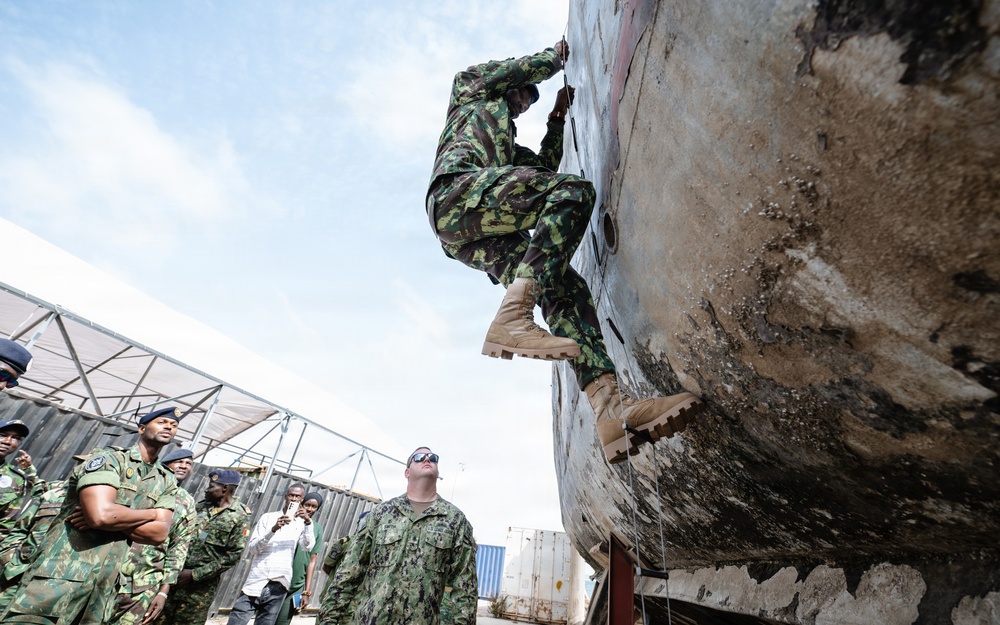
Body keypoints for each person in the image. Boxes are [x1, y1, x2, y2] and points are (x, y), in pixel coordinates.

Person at [426, 42, 705, 463]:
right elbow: (523, 68)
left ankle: (613, 413)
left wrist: (556, 118)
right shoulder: (472, 90)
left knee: (565, 289)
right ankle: (512, 318)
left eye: (525, 104)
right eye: (521, 96)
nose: (522, 106)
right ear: (511, 86)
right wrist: (557, 57)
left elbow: (541, 173)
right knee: (574, 193)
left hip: (472, 233)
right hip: (456, 193)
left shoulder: (506, 147)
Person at [0, 406, 181, 624]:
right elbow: (101, 515)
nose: (169, 427)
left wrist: (114, 518)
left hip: (101, 590)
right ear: (142, 428)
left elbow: (159, 533)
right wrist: (151, 514)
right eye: (162, 422)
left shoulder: (166, 480)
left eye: (174, 425)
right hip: (56, 580)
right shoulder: (110, 459)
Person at [318, 447, 477, 625]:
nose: (427, 459)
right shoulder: (381, 514)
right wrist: (329, 620)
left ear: (438, 471)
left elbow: (465, 587)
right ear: (407, 472)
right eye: (419, 457)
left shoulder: (455, 520)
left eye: (432, 457)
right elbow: (349, 573)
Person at [109, 447, 199, 625]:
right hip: (110, 573)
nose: (184, 466)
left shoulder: (186, 502)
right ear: (166, 464)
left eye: (188, 463)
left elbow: (178, 548)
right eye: (179, 462)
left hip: (144, 584)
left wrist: (163, 592)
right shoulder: (141, 484)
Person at [159, 468, 251, 625]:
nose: (206, 489)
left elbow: (233, 556)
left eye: (211, 486)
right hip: (174, 578)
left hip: (199, 590)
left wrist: (194, 574)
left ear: (224, 488)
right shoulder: (200, 507)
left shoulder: (240, 516)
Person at [227, 483, 315, 625]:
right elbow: (253, 548)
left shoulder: (301, 523)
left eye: (297, 497)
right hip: (256, 580)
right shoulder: (268, 518)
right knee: (237, 620)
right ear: (285, 497)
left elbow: (307, 546)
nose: (293, 499)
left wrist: (308, 521)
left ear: (302, 500)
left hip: (279, 582)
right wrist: (273, 529)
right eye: (291, 495)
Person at [0, 479, 67, 612]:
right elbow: (19, 529)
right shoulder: (52, 495)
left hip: (53, 588)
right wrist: (9, 560)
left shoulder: (106, 510)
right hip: (16, 577)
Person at [275, 491, 325, 625]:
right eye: (307, 505)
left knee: (282, 622)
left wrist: (306, 592)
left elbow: (312, 561)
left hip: (296, 585)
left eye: (314, 507)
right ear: (301, 503)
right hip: (277, 580)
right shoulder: (288, 521)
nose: (310, 509)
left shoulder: (317, 529)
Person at [0, 419, 38, 537]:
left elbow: (6, 525)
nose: (8, 441)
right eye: (2, 435)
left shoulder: (15, 479)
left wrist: (30, 471)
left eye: (15, 438)